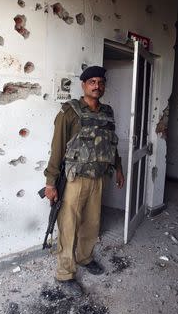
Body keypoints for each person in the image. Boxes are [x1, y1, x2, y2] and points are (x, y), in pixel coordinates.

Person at [44, 65, 125, 296]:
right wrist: (51, 183)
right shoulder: (69, 112)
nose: (97, 86)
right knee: (68, 227)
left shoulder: (107, 112)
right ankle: (65, 273)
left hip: (99, 178)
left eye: (101, 82)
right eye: (92, 82)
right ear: (84, 85)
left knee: (91, 223)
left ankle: (85, 257)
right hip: (74, 180)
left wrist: (118, 168)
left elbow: (111, 145)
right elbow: (57, 149)